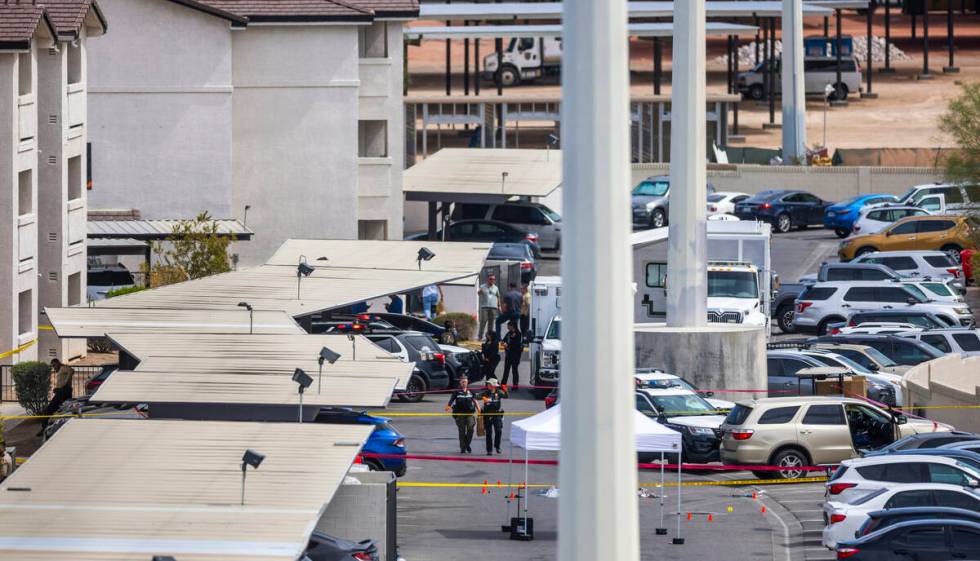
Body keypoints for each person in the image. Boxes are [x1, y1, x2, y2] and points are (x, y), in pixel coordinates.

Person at [39, 359, 73, 433]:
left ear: (58, 363)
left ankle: (44, 428)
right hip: (62, 391)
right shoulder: (61, 369)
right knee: (63, 410)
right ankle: (47, 427)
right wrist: (57, 388)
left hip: (64, 391)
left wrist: (65, 383)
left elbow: (71, 370)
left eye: (54, 365)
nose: (54, 367)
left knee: (48, 410)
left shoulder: (64, 368)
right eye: (52, 366)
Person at [446, 375, 479, 453]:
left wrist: (479, 409)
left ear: (467, 382)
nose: (464, 383)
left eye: (465, 381)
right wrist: (448, 406)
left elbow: (475, 400)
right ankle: (463, 448)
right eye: (462, 381)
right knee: (462, 431)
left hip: (469, 414)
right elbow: (451, 400)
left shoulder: (471, 391)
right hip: (460, 414)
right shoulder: (457, 391)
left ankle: (467, 444)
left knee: (471, 429)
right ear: (460, 382)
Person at [480, 377, 509, 455]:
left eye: (489, 384)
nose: (488, 385)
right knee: (489, 433)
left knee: (498, 430)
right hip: (487, 414)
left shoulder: (499, 392)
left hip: (497, 414)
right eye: (488, 384)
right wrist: (483, 398)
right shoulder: (485, 392)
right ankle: (489, 450)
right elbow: (477, 396)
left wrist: (506, 390)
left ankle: (497, 446)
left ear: (493, 385)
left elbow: (506, 396)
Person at [501, 321, 523, 388]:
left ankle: (515, 385)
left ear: (512, 326)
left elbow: (517, 345)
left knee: (514, 370)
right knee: (506, 371)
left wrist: (509, 344)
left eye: (508, 326)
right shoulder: (509, 333)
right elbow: (504, 340)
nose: (507, 327)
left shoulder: (518, 334)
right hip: (508, 355)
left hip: (515, 355)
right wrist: (503, 343)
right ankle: (503, 385)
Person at [477, 275, 500, 339]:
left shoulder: (496, 288)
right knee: (483, 321)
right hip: (485, 307)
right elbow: (479, 293)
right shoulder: (482, 286)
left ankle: (489, 337)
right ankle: (480, 336)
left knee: (491, 323)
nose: (492, 280)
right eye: (491, 279)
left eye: (493, 279)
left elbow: (498, 296)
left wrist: (499, 305)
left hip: (493, 307)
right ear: (488, 279)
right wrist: (480, 292)